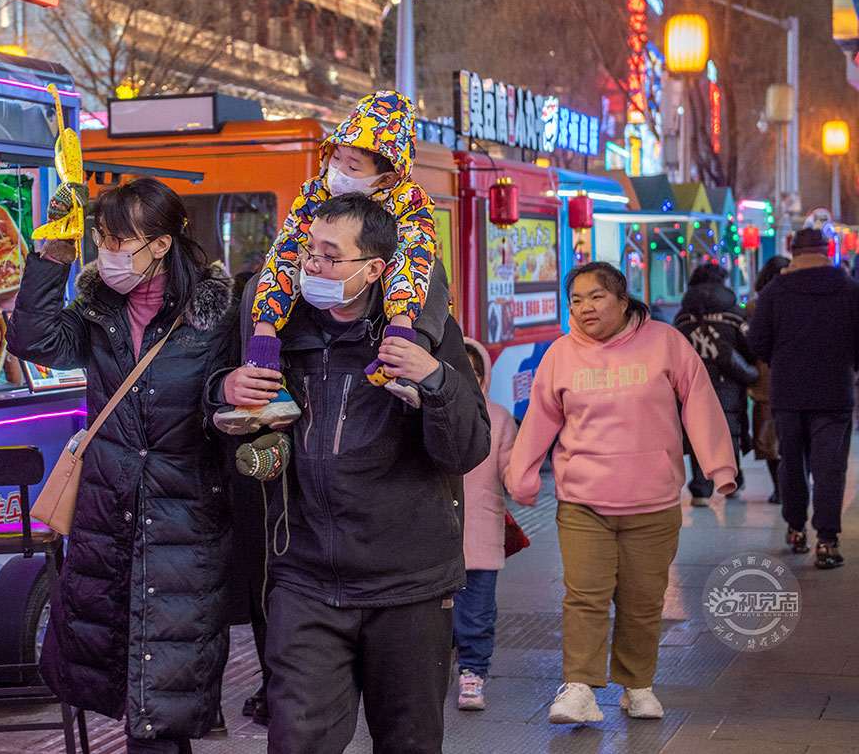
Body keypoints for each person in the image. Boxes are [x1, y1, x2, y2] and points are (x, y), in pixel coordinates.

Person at [210, 193, 490, 754]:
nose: (312, 264)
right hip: (304, 577)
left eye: (329, 256)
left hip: (408, 584)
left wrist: (433, 380)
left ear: (374, 269)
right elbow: (219, 403)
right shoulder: (279, 331)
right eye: (308, 251)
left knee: (408, 741)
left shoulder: (425, 335)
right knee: (297, 740)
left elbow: (466, 449)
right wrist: (224, 388)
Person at [6, 177, 236, 754]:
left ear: (160, 245)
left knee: (165, 704)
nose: (107, 251)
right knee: (128, 690)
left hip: (185, 527)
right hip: (108, 524)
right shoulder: (97, 310)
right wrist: (52, 255)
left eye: (118, 239)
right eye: (101, 237)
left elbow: (229, 403)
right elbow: (32, 341)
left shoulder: (215, 317)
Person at [507, 262, 736, 725]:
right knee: (584, 594)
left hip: (653, 500)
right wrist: (522, 474)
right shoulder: (561, 354)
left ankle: (637, 685)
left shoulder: (666, 342)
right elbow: (541, 417)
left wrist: (718, 467)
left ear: (623, 298)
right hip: (582, 501)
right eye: (575, 299)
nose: (585, 307)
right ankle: (579, 688)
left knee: (642, 598)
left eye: (596, 297)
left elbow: (699, 398)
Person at [213, 90, 441, 433]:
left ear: (388, 177)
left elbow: (414, 255)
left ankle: (400, 364)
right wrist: (268, 312)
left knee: (417, 273)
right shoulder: (314, 194)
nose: (338, 171)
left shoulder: (409, 202)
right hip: (308, 313)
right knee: (272, 272)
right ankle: (264, 383)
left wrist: (401, 320)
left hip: (382, 300)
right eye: (336, 159)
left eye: (353, 166)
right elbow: (288, 248)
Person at [747, 227, 859, 569]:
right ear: (827, 251)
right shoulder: (850, 289)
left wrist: (780, 360)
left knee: (792, 464)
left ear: (793, 251)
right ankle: (827, 541)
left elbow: (756, 342)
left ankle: (795, 529)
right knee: (830, 467)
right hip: (834, 392)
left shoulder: (775, 291)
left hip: (788, 392)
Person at [452, 338, 518, 712]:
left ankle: (473, 671)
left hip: (480, 534)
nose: (468, 380)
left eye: (474, 374)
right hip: (435, 541)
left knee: (476, 614)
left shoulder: (499, 417)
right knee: (436, 617)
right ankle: (442, 669)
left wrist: (522, 481)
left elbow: (512, 470)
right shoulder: (426, 412)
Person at [673, 263, 758, 506]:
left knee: (697, 433)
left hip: (691, 385)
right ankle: (732, 481)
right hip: (728, 383)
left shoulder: (682, 317)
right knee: (730, 430)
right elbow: (751, 349)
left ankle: (701, 488)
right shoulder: (734, 314)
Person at [746, 255, 790, 504]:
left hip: (764, 380)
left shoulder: (753, 306)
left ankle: (780, 488)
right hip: (785, 375)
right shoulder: (795, 302)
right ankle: (789, 487)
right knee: (786, 437)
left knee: (768, 436)